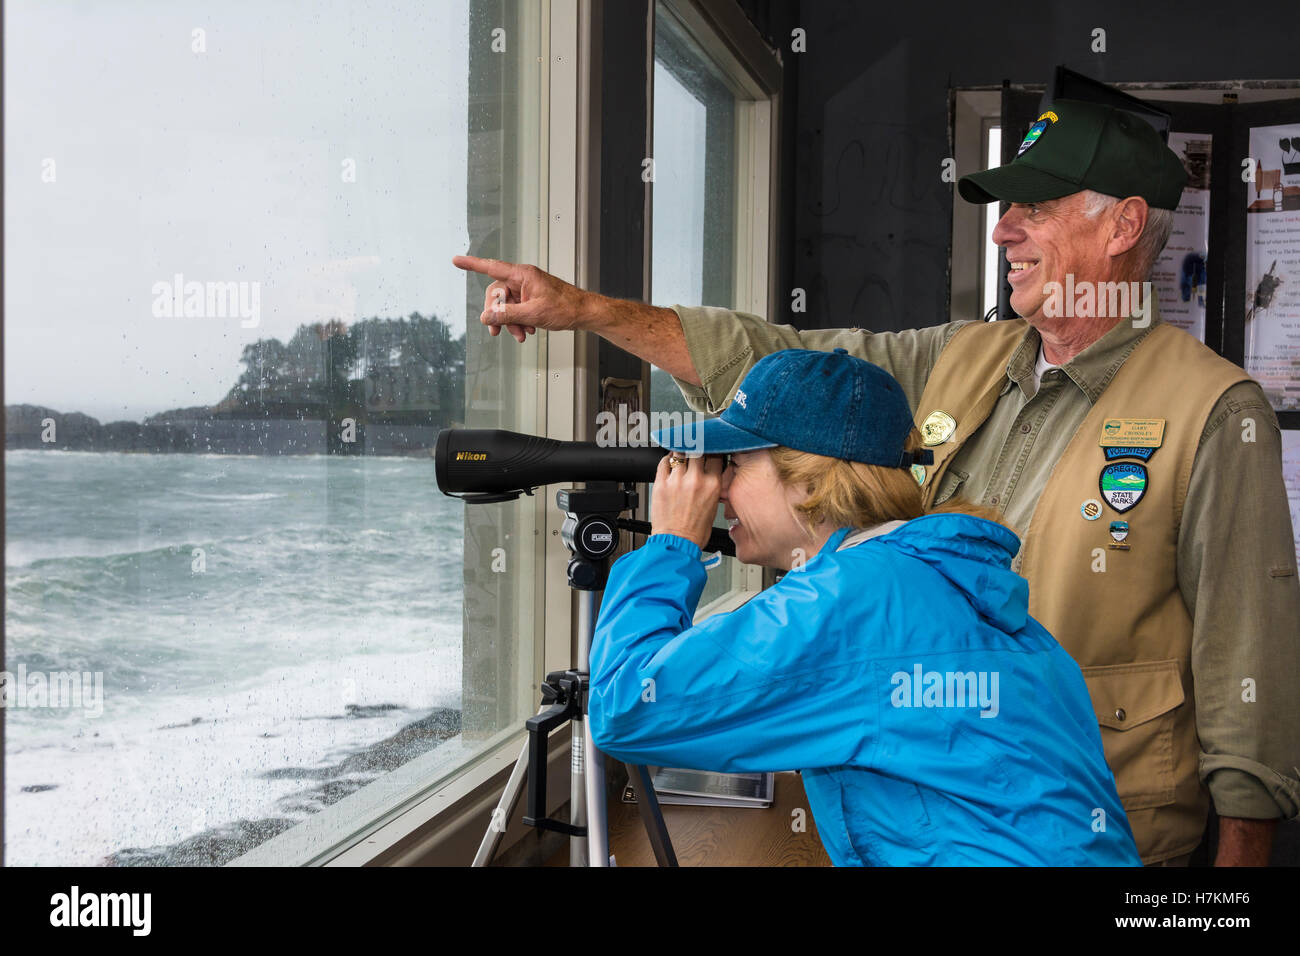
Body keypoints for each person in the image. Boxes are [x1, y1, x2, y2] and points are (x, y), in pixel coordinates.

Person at [454, 98, 1300, 865]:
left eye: (1034, 208)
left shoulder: (1215, 409)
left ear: (1122, 227)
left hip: (1127, 835)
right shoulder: (963, 356)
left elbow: (1247, 666)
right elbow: (784, 372)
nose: (1005, 231)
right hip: (932, 810)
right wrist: (589, 312)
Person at [586, 347, 1140, 866]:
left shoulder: (853, 597)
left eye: (734, 464)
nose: (718, 487)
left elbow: (625, 706)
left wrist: (671, 546)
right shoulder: (928, 575)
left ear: (808, 479)